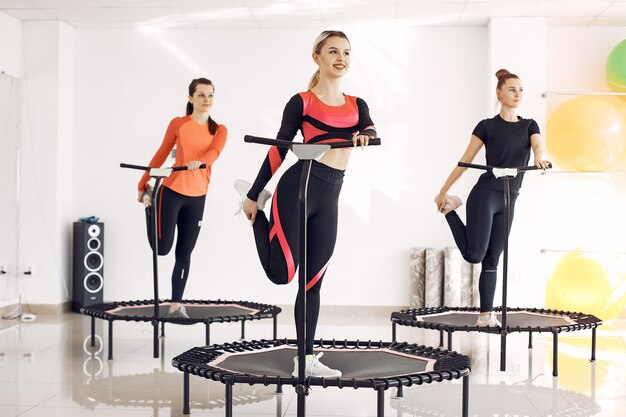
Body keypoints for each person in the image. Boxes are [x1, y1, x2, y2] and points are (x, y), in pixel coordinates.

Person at [235, 30, 376, 377]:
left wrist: (364, 136)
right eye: (332, 51)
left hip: (331, 195)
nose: (340, 58)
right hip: (299, 187)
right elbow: (278, 148)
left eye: (346, 52)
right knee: (281, 274)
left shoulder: (357, 105)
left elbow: (372, 131)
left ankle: (306, 359)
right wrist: (253, 194)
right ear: (317, 57)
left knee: (312, 282)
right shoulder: (302, 102)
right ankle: (258, 215)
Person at [434, 69, 550, 327]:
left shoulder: (530, 124)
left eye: (521, 89)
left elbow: (538, 146)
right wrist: (443, 192)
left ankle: (486, 315)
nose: (517, 94)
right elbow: (465, 161)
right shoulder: (486, 126)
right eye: (511, 89)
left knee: (492, 259)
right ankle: (450, 209)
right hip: (485, 195)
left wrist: (540, 158)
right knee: (475, 254)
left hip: (510, 198)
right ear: (499, 93)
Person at [138, 78, 227, 319]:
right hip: (172, 191)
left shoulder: (219, 129)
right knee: (162, 249)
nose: (206, 99)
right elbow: (162, 152)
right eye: (200, 95)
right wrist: (142, 181)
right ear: (190, 98)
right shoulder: (179, 124)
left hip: (198, 197)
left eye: (210, 95)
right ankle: (149, 204)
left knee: (185, 252)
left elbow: (214, 152)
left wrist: (202, 162)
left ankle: (176, 305)